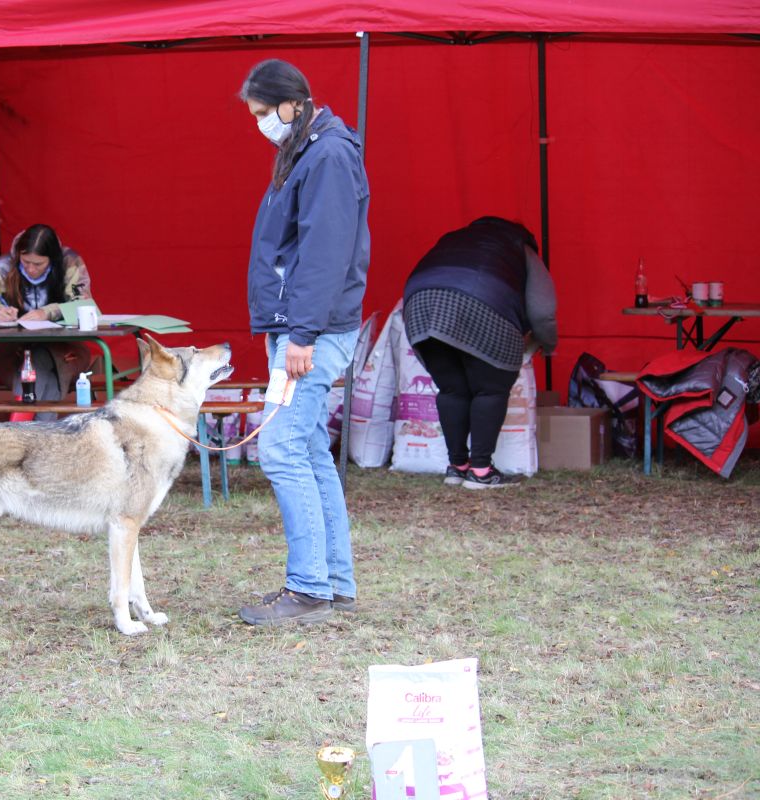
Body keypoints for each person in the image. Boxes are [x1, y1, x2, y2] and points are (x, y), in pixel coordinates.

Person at [235, 59, 371, 627]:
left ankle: (309, 587)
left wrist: (301, 335)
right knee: (309, 453)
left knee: (281, 450)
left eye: (265, 113)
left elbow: (323, 254)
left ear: (294, 103)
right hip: (301, 327)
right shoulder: (310, 151)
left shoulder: (329, 156)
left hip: (308, 332)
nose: (261, 123)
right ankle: (331, 581)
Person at [402, 216, 558, 489]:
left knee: (452, 389)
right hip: (481, 301)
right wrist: (548, 344)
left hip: (420, 303)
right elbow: (543, 311)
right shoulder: (521, 248)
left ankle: (457, 467)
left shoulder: (454, 237)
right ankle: (481, 471)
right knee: (491, 388)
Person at [0, 223, 94, 420]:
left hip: (65, 351)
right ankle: (41, 441)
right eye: (25, 262)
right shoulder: (3, 266)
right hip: (12, 351)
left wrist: (47, 312)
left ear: (52, 259)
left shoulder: (70, 263)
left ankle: (19, 433)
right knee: (43, 373)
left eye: (39, 264)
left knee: (37, 361)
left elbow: (82, 304)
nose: (31, 269)